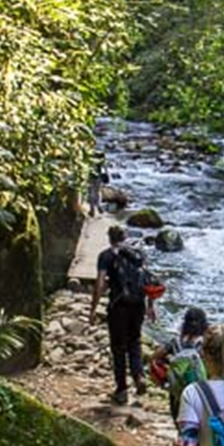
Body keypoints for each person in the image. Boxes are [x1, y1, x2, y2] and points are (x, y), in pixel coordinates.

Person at [89, 225, 157, 405]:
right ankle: (139, 377)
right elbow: (148, 281)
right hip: (138, 305)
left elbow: (99, 284)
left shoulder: (106, 256)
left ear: (109, 238)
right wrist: (150, 306)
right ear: (124, 237)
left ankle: (122, 390)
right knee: (134, 341)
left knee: (118, 347)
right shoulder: (138, 254)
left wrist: (93, 309)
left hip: (118, 307)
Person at [151, 307, 209, 420]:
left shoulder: (176, 342)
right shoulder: (205, 345)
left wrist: (170, 360)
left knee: (179, 419)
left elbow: (155, 357)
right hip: (199, 391)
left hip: (177, 391)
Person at [86, 152, 108, 217]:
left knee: (91, 192)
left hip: (90, 177)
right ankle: (99, 205)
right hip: (99, 177)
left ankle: (92, 209)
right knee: (98, 192)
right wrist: (107, 176)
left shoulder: (89, 157)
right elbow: (105, 169)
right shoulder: (101, 160)